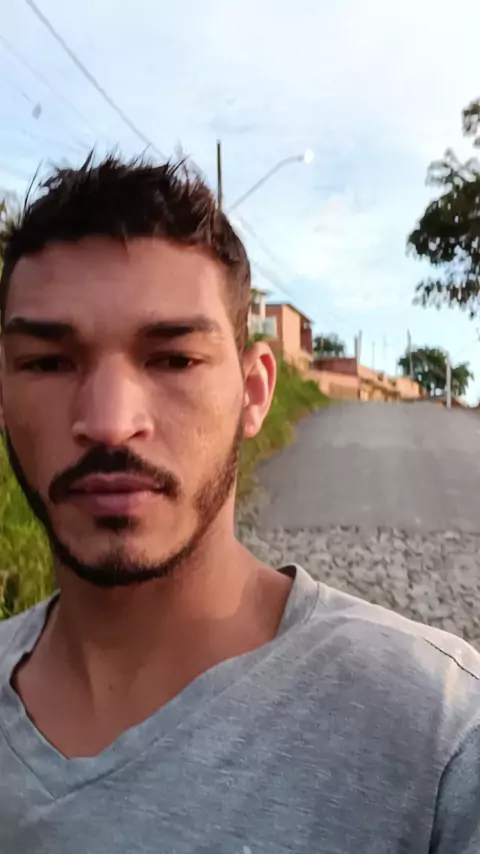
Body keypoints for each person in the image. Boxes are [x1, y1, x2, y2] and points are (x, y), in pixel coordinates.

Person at [0, 153, 479, 854]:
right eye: (47, 362)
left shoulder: (442, 739)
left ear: (253, 393)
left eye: (174, 359)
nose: (109, 422)